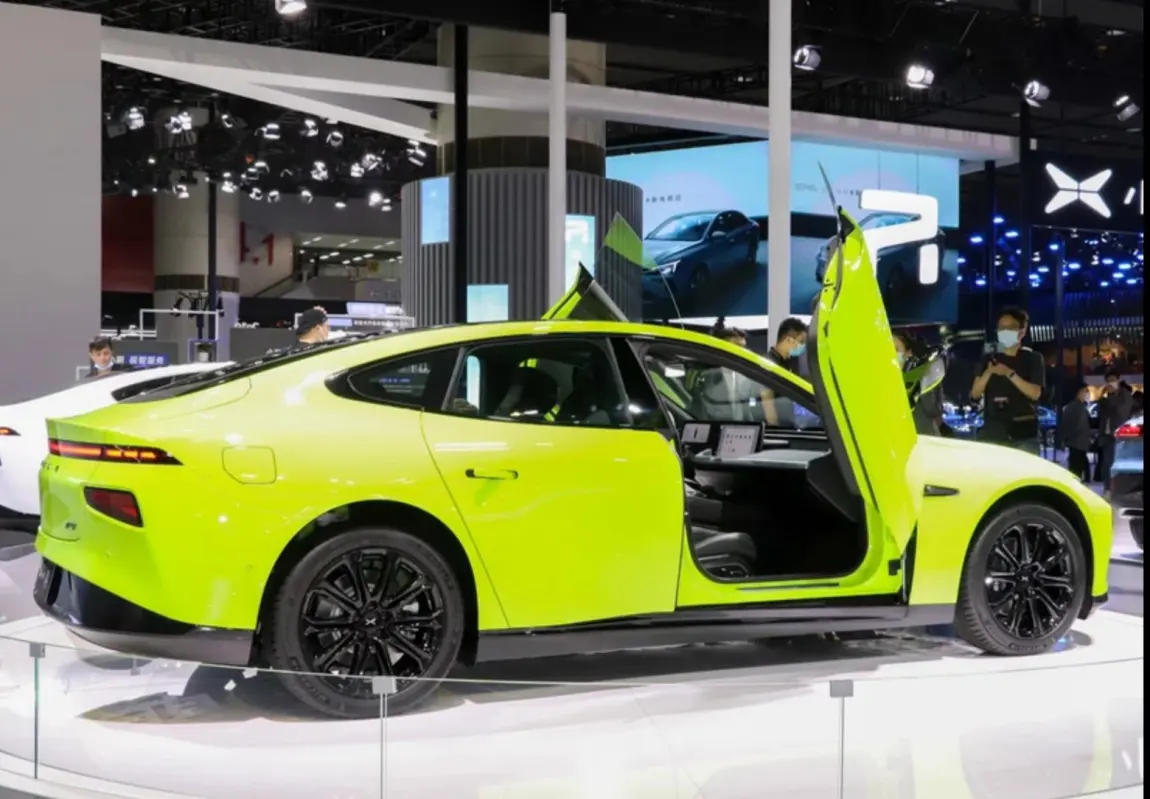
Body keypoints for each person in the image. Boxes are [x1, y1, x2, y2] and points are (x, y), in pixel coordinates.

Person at [969, 306, 1045, 453]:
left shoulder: (1033, 358)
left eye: (1010, 328)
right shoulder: (988, 357)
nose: (1004, 331)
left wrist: (1009, 374)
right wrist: (989, 372)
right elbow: (975, 393)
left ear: (1022, 332)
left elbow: (1035, 393)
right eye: (1001, 327)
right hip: (993, 433)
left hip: (1023, 434)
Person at [893, 331, 942, 436]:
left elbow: (933, 409)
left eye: (895, 349)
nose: (890, 355)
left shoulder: (922, 378)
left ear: (908, 353)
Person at [1095, 368, 1134, 485]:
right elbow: (1100, 414)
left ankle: (1115, 486)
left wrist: (1111, 397)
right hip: (1106, 435)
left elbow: (1121, 412)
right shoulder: (1107, 397)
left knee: (1116, 463)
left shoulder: (1125, 395)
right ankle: (1108, 487)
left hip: (1119, 435)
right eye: (1108, 381)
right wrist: (1101, 397)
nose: (1110, 383)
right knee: (1106, 463)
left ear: (1118, 380)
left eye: (1113, 380)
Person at [1060, 380, 1093, 482]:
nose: (1087, 393)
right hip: (1076, 443)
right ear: (1078, 392)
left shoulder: (1080, 406)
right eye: (1085, 391)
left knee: (1079, 465)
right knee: (1076, 468)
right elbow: (1067, 425)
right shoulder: (1074, 406)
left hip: (1079, 443)